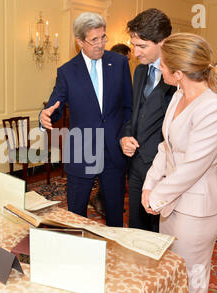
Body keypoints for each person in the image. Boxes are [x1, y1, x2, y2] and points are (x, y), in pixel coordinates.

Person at [141, 33, 217, 293]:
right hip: (172, 203)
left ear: (178, 73)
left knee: (192, 277)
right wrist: (149, 185)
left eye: (163, 65)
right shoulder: (178, 96)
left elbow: (193, 167)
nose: (160, 68)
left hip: (197, 210)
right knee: (173, 272)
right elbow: (166, 147)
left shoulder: (214, 108)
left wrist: (158, 196)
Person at [40, 12, 133, 227]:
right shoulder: (67, 72)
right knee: (76, 217)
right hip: (81, 150)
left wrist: (125, 135)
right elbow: (55, 104)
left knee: (115, 216)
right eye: (94, 40)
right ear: (80, 41)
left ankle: (114, 257)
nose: (101, 44)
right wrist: (45, 115)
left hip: (113, 150)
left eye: (103, 37)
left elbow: (128, 106)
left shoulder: (119, 63)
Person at [119, 8, 176, 232]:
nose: (135, 53)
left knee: (159, 232)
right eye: (134, 46)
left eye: (142, 46)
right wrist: (125, 137)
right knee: (136, 228)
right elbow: (133, 114)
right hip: (135, 165)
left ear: (163, 42)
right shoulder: (140, 72)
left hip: (163, 170)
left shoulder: (179, 75)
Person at [89, 42, 133, 217]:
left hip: (117, 139)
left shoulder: (125, 73)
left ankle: (106, 202)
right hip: (93, 140)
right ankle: (102, 200)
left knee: (113, 182)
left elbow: (128, 105)